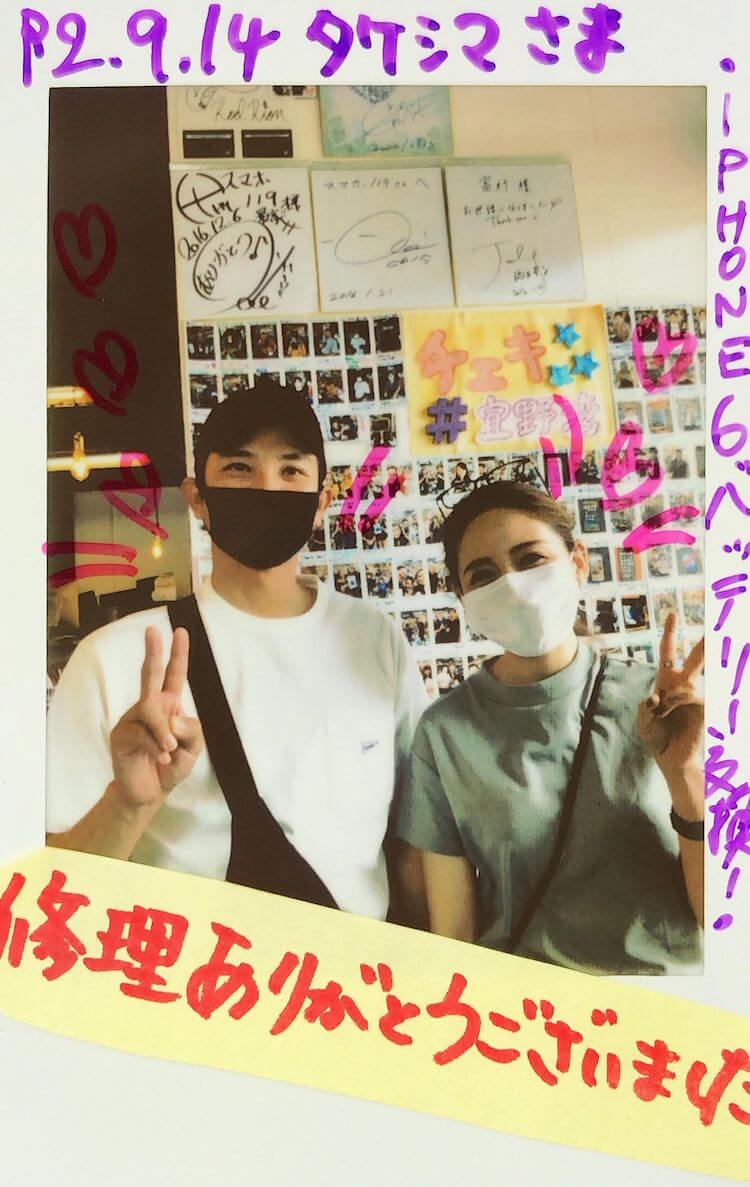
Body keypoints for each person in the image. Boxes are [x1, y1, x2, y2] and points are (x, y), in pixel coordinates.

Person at [47, 380, 429, 926]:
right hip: (190, 973)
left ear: (321, 503)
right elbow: (52, 892)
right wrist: (127, 804)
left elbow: (414, 840)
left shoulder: (374, 640)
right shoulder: (114, 659)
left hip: (352, 974)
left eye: (290, 470)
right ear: (197, 498)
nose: (267, 488)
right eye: (239, 468)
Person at [396, 481, 704, 974]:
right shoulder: (445, 732)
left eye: (531, 559)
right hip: (530, 1006)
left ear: (578, 562)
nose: (514, 585)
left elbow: (723, 918)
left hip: (662, 1002)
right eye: (484, 575)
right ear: (462, 598)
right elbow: (454, 934)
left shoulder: (668, 706)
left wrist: (685, 774)